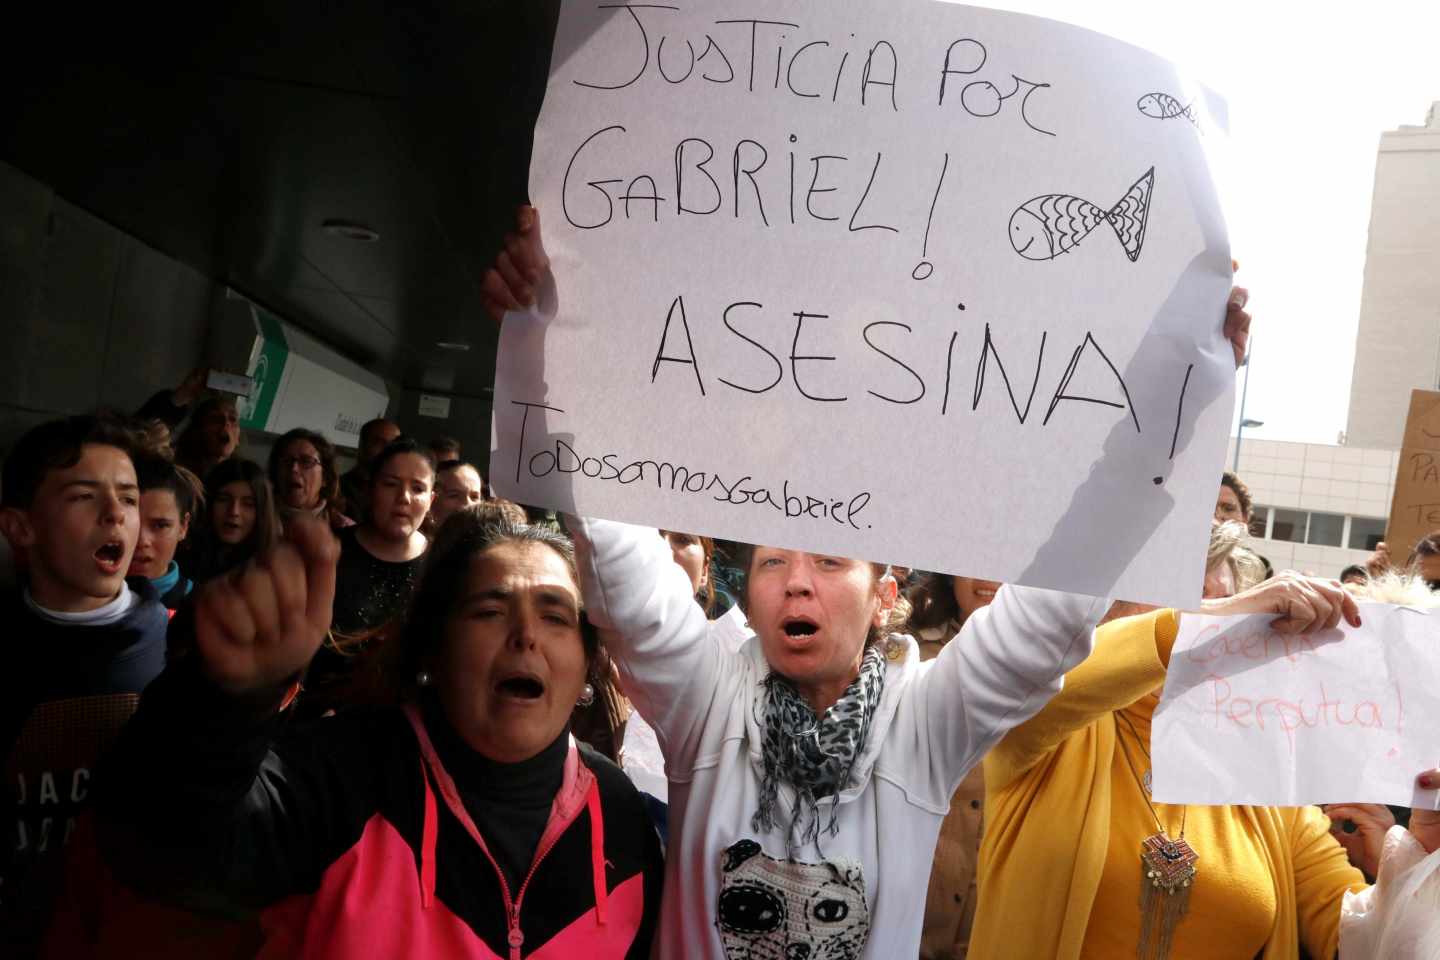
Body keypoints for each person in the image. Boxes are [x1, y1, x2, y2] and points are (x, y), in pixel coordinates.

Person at [483, 203, 1254, 957]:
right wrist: (552, 337)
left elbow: (1054, 609)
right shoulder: (706, 701)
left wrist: (1172, 403)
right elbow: (617, 554)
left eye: (828, 562)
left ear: (885, 593)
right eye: (773, 562)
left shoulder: (924, 726)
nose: (795, 583)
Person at [94, 514, 663, 958]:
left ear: (589, 667)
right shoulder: (339, 773)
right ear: (433, 653)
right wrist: (220, 697)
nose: (525, 636)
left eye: (556, 616)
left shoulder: (621, 815)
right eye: (490, 611)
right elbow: (163, 848)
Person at [971, 527, 1370, 960]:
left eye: (1230, 604)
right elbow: (1050, 679)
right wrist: (1211, 618)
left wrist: (1416, 860)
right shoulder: (1048, 725)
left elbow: (1360, 935)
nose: (1224, 623)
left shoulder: (1263, 779)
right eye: (1191, 595)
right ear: (1112, 605)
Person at [0, 416, 168, 956]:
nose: (115, 514)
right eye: (82, 496)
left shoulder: (187, 645)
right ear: (20, 527)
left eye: (128, 497)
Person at [904, 571, 1003, 960]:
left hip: (998, 907)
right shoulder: (907, 651)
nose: (988, 577)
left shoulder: (1065, 667)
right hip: (919, 900)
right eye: (977, 560)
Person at [303, 439, 435, 715]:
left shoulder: (440, 566)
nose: (404, 498)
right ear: (370, 488)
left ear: (431, 499)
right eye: (391, 484)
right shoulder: (328, 553)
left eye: (418, 488)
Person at [129, 455, 204, 609]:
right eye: (131, 523)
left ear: (183, 526)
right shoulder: (80, 596)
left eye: (160, 525)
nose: (142, 541)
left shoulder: (204, 607)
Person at [187, 459, 280, 583]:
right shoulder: (183, 562)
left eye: (248, 504)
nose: (234, 511)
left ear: (262, 512)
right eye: (223, 499)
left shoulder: (273, 571)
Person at [267, 428, 355, 533]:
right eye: (286, 461)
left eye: (306, 461)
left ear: (325, 477)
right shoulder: (256, 517)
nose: (294, 468)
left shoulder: (344, 529)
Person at [338, 418, 400, 523]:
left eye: (393, 446)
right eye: (380, 443)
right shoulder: (338, 489)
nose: (388, 451)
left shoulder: (398, 493)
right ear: (362, 444)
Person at [172, 396, 240, 481]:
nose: (226, 423)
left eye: (233, 419)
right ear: (198, 430)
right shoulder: (175, 474)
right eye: (215, 419)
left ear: (238, 439)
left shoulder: (243, 478)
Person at [429, 461, 486, 531]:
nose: (467, 504)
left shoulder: (491, 540)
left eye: (474, 497)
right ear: (432, 500)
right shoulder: (417, 541)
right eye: (454, 495)